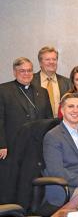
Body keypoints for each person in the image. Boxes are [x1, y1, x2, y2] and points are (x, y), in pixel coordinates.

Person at [0, 57, 52, 203]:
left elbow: (48, 120)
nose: (26, 73)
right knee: (11, 180)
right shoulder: (3, 90)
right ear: (14, 72)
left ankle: (31, 209)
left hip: (36, 146)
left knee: (31, 180)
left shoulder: (42, 92)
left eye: (29, 70)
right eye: (22, 71)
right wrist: (1, 144)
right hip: (12, 145)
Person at [32, 46, 70, 117]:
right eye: (47, 59)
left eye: (54, 59)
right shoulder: (31, 81)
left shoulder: (67, 83)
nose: (51, 62)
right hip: (40, 125)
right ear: (40, 63)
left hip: (60, 125)